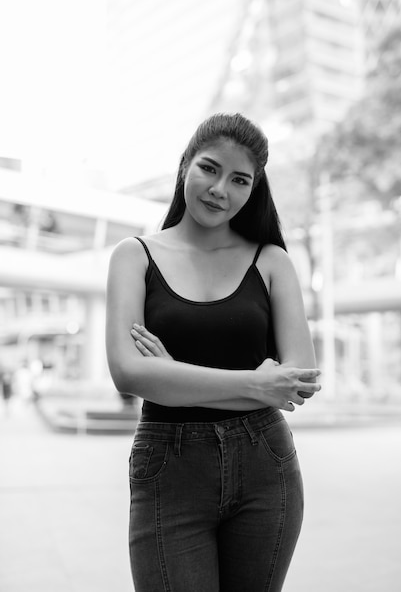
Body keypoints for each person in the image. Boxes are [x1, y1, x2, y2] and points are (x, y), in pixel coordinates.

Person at [105, 112, 321, 592]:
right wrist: (257, 385)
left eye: (239, 179)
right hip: (170, 468)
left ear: (253, 188)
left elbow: (299, 381)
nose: (220, 188)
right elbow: (127, 373)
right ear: (185, 166)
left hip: (267, 467)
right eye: (209, 168)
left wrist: (173, 376)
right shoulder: (133, 256)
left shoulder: (270, 260)